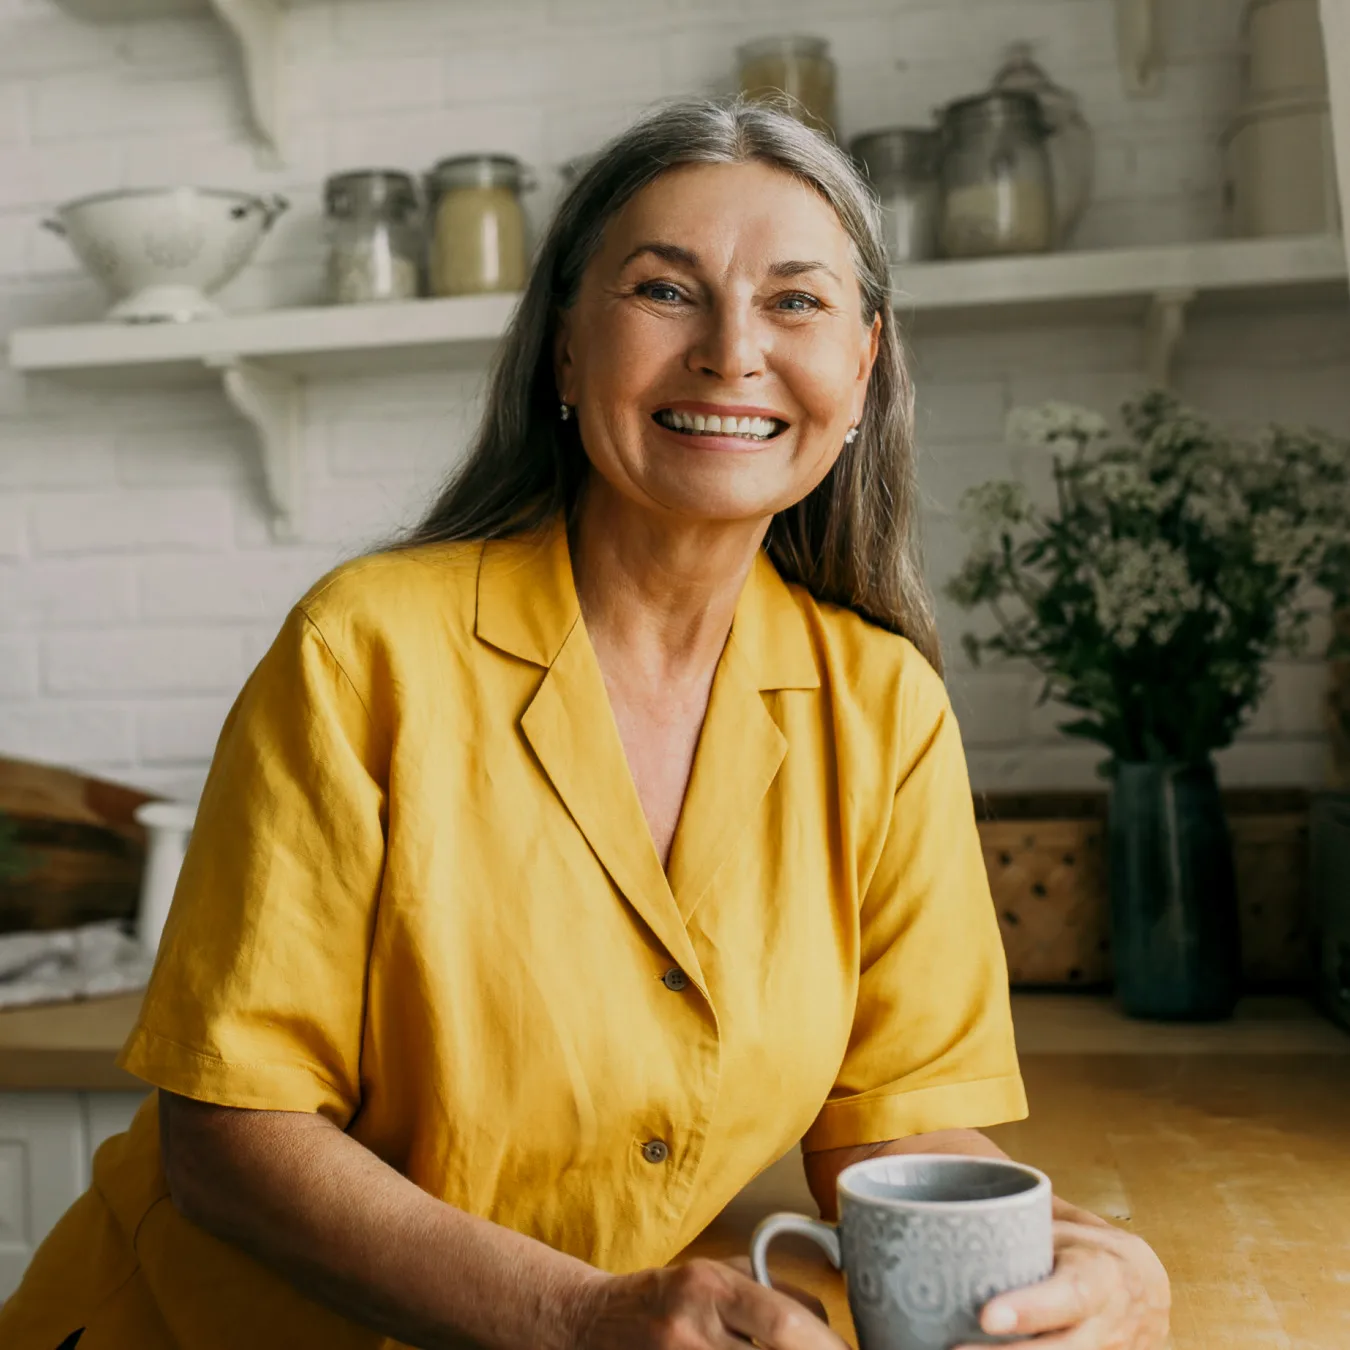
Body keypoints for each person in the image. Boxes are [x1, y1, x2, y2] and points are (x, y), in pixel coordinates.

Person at [0, 99, 1169, 1350]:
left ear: (864, 365)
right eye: (666, 292)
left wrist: (1089, 1265)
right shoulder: (364, 653)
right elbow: (230, 1140)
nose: (733, 351)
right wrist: (577, 1314)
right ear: (564, 348)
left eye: (795, 301)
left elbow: (892, 1122)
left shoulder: (886, 712)